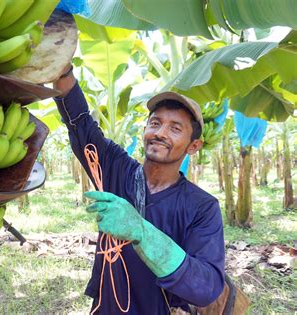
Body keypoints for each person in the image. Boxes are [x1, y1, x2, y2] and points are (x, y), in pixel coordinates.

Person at [52, 65, 225, 314]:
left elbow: (206, 287)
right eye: (155, 123)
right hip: (108, 307)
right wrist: (62, 69)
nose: (160, 133)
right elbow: (80, 123)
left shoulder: (202, 207)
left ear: (193, 146)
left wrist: (141, 231)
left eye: (175, 128)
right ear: (144, 130)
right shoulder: (116, 168)